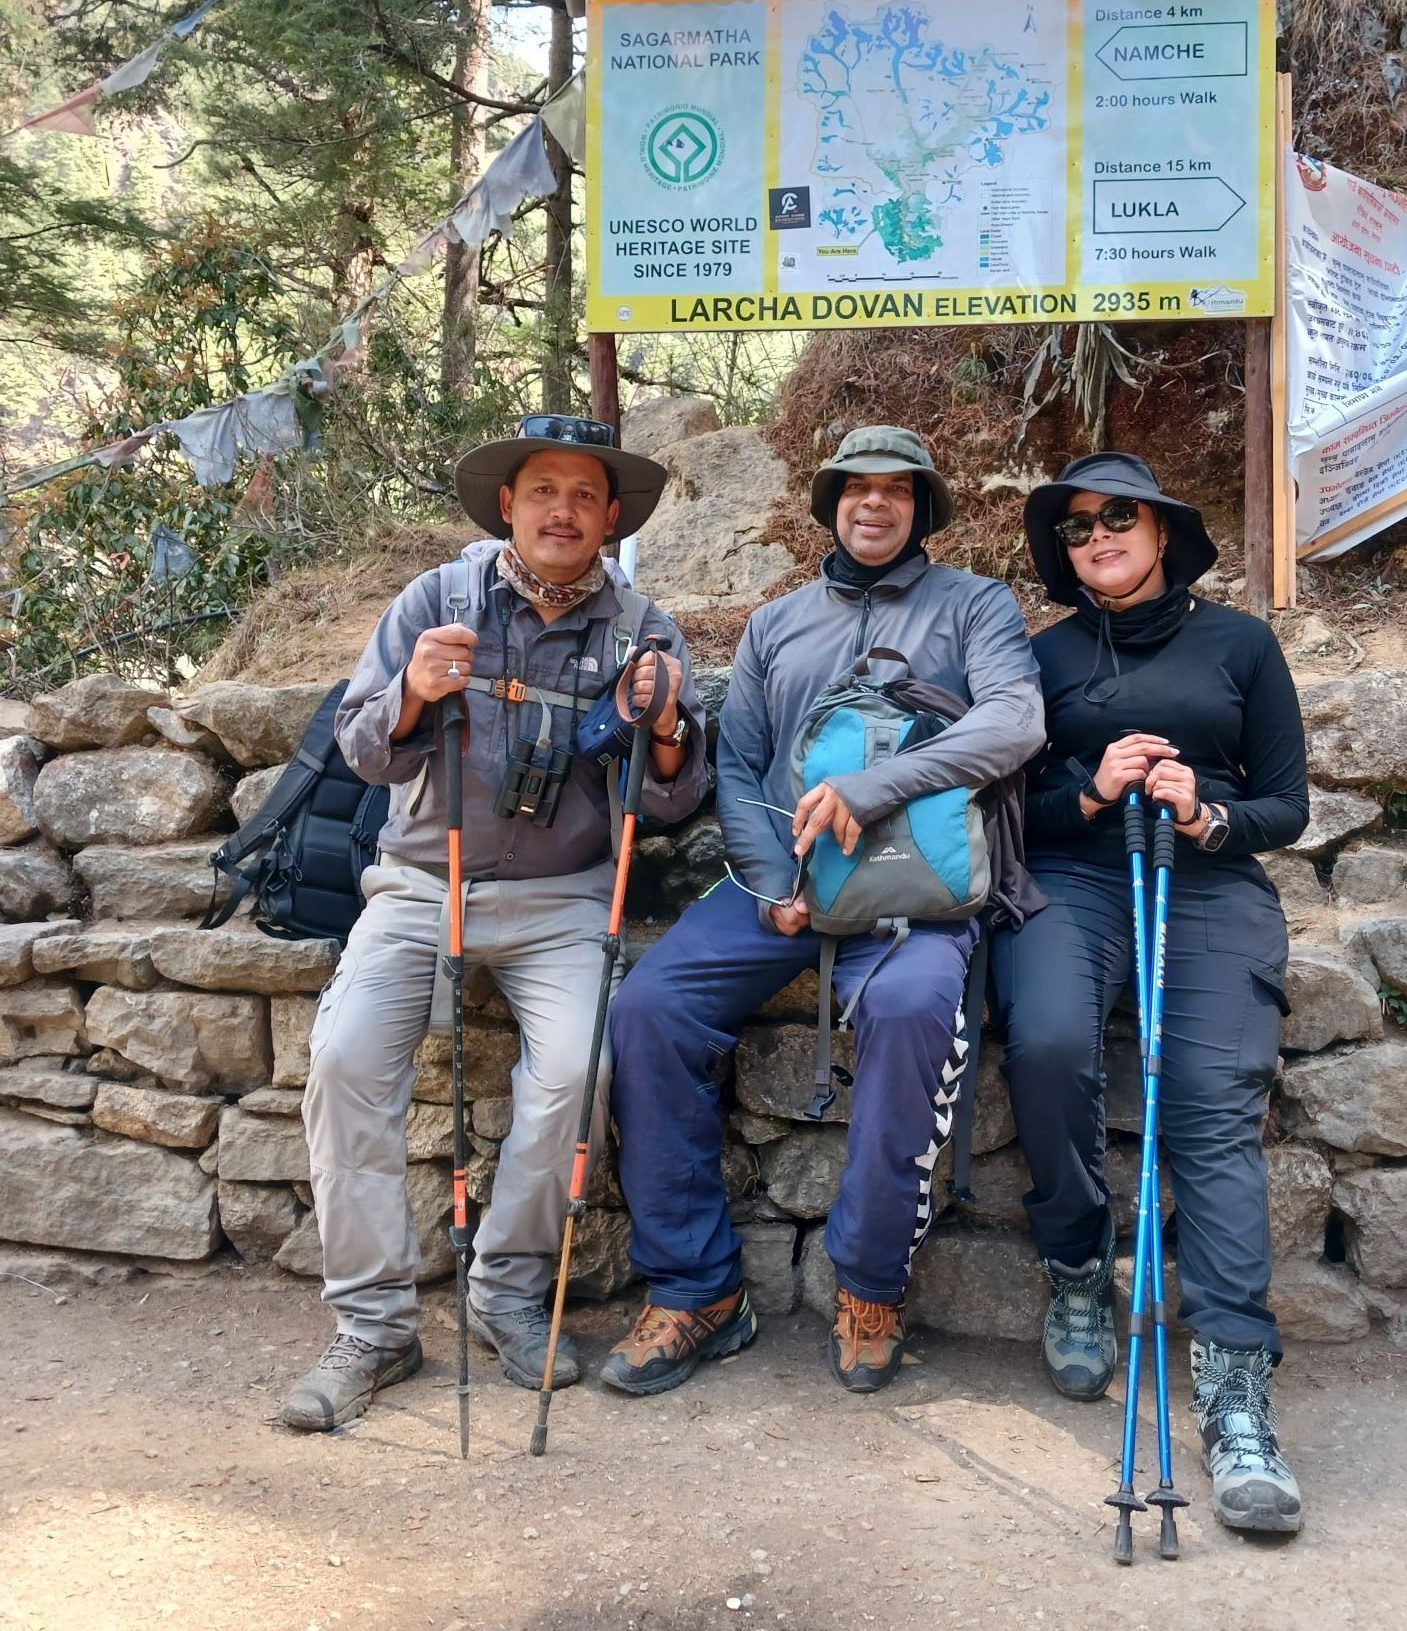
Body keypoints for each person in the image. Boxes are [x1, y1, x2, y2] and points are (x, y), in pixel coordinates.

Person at [280, 415, 708, 1433]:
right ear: (507, 505)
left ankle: (510, 1291)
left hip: (565, 897)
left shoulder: (643, 628)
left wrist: (664, 729)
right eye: (542, 490)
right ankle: (375, 1323)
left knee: (578, 1070)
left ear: (611, 516)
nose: (563, 509)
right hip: (427, 880)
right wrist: (415, 697)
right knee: (344, 1058)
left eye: (585, 494)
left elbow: (681, 800)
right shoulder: (437, 600)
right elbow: (363, 751)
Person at [603, 426, 1044, 1398]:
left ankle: (871, 1281)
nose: (874, 504)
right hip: (784, 882)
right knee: (650, 1008)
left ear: (922, 505)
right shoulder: (777, 624)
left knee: (914, 1008)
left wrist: (881, 784)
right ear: (831, 504)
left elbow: (1015, 722)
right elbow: (747, 766)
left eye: (897, 489)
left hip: (917, 889)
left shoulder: (976, 607)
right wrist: (776, 884)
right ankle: (698, 1287)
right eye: (856, 489)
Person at [991, 451, 1309, 1536]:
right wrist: (1092, 788)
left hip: (1208, 880)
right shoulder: (1041, 655)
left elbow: (1287, 803)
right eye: (1076, 528)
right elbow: (1011, 810)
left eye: (1118, 517)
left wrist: (1207, 813)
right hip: (1076, 876)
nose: (1097, 537)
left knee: (1213, 1098)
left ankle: (1233, 1384)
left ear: (1163, 529)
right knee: (1045, 1039)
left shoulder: (1242, 644)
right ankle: (1079, 1263)